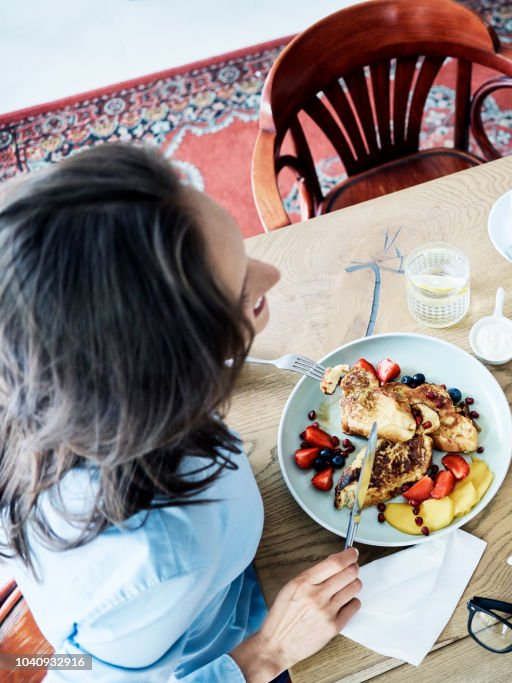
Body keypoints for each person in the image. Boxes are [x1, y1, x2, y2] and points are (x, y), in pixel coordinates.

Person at [0, 144, 362, 680]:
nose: (273, 275)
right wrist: (267, 653)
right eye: (245, 293)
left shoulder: (45, 362)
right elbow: (80, 673)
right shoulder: (157, 551)